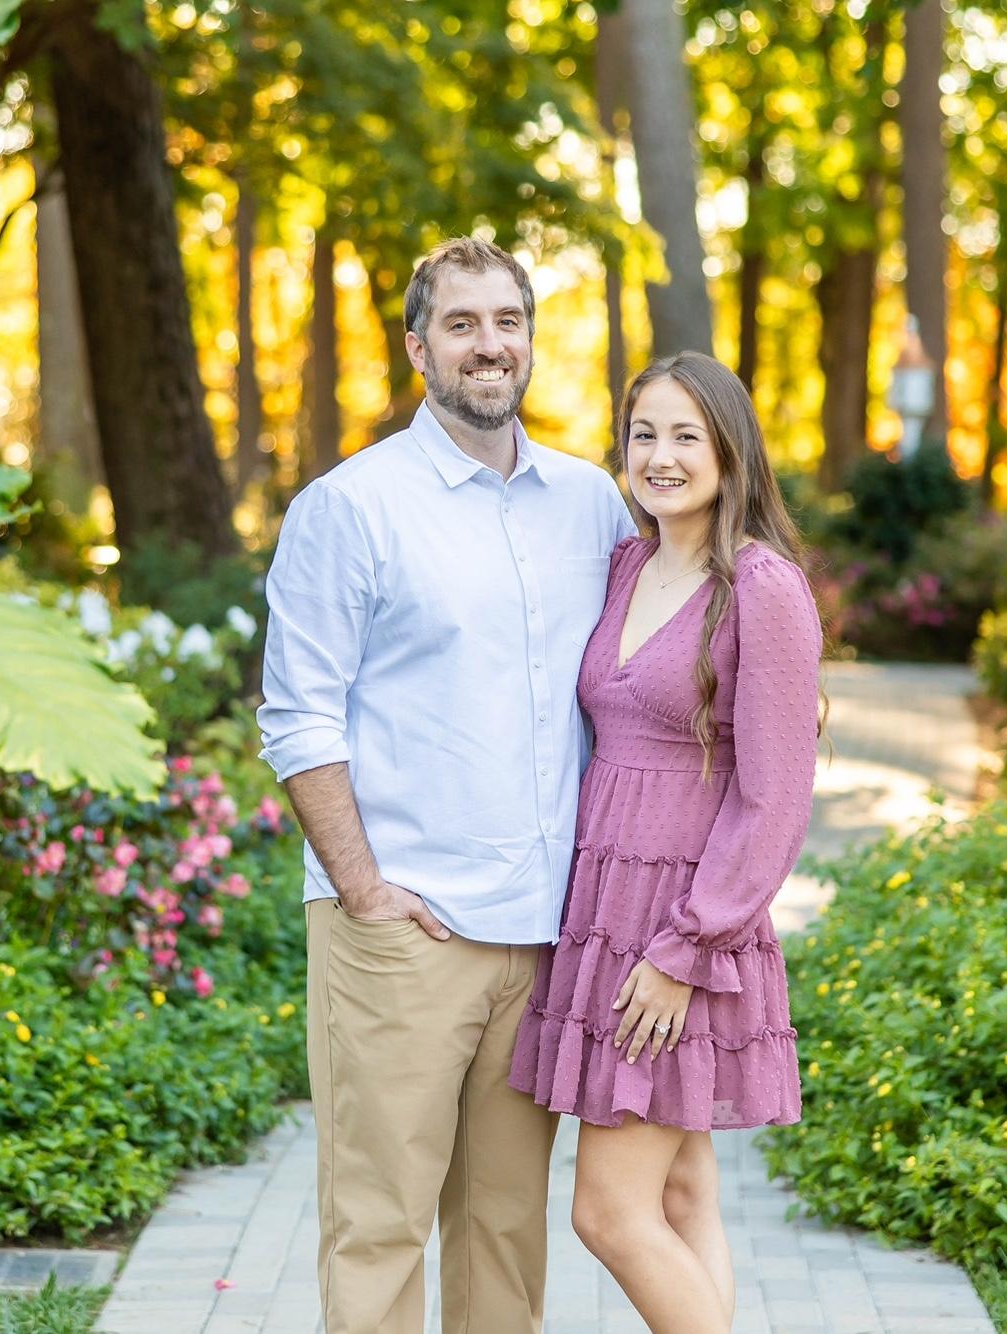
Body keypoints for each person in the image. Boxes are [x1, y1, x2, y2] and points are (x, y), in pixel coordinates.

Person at [256, 236, 636, 1334]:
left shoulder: (591, 504)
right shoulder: (351, 506)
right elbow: (298, 715)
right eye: (461, 323)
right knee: (379, 1224)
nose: (488, 344)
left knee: (505, 1233)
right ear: (419, 347)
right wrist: (364, 891)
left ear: (531, 340)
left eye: (507, 321)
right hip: (404, 930)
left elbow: (641, 679)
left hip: (544, 934)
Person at [509, 351, 823, 1333]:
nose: (660, 455)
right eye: (643, 432)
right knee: (681, 1194)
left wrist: (688, 946)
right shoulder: (626, 565)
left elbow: (774, 798)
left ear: (730, 450)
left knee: (607, 1211)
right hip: (602, 910)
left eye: (686, 434)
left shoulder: (761, 587)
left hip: (681, 926)